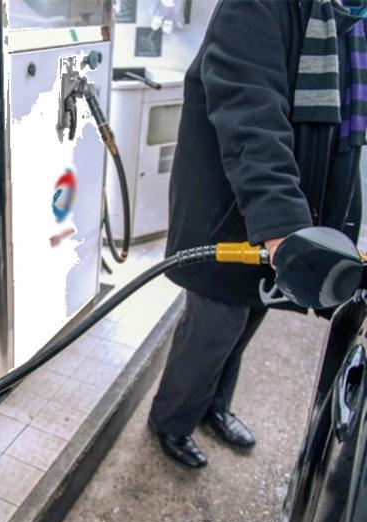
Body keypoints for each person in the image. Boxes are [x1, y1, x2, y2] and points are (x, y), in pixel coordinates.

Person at [148, 0, 367, 468]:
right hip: (231, 213)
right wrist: (285, 229)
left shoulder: (342, 20)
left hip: (276, 218)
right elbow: (251, 118)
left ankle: (214, 407)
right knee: (214, 326)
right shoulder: (255, 6)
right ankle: (172, 421)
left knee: (248, 317)